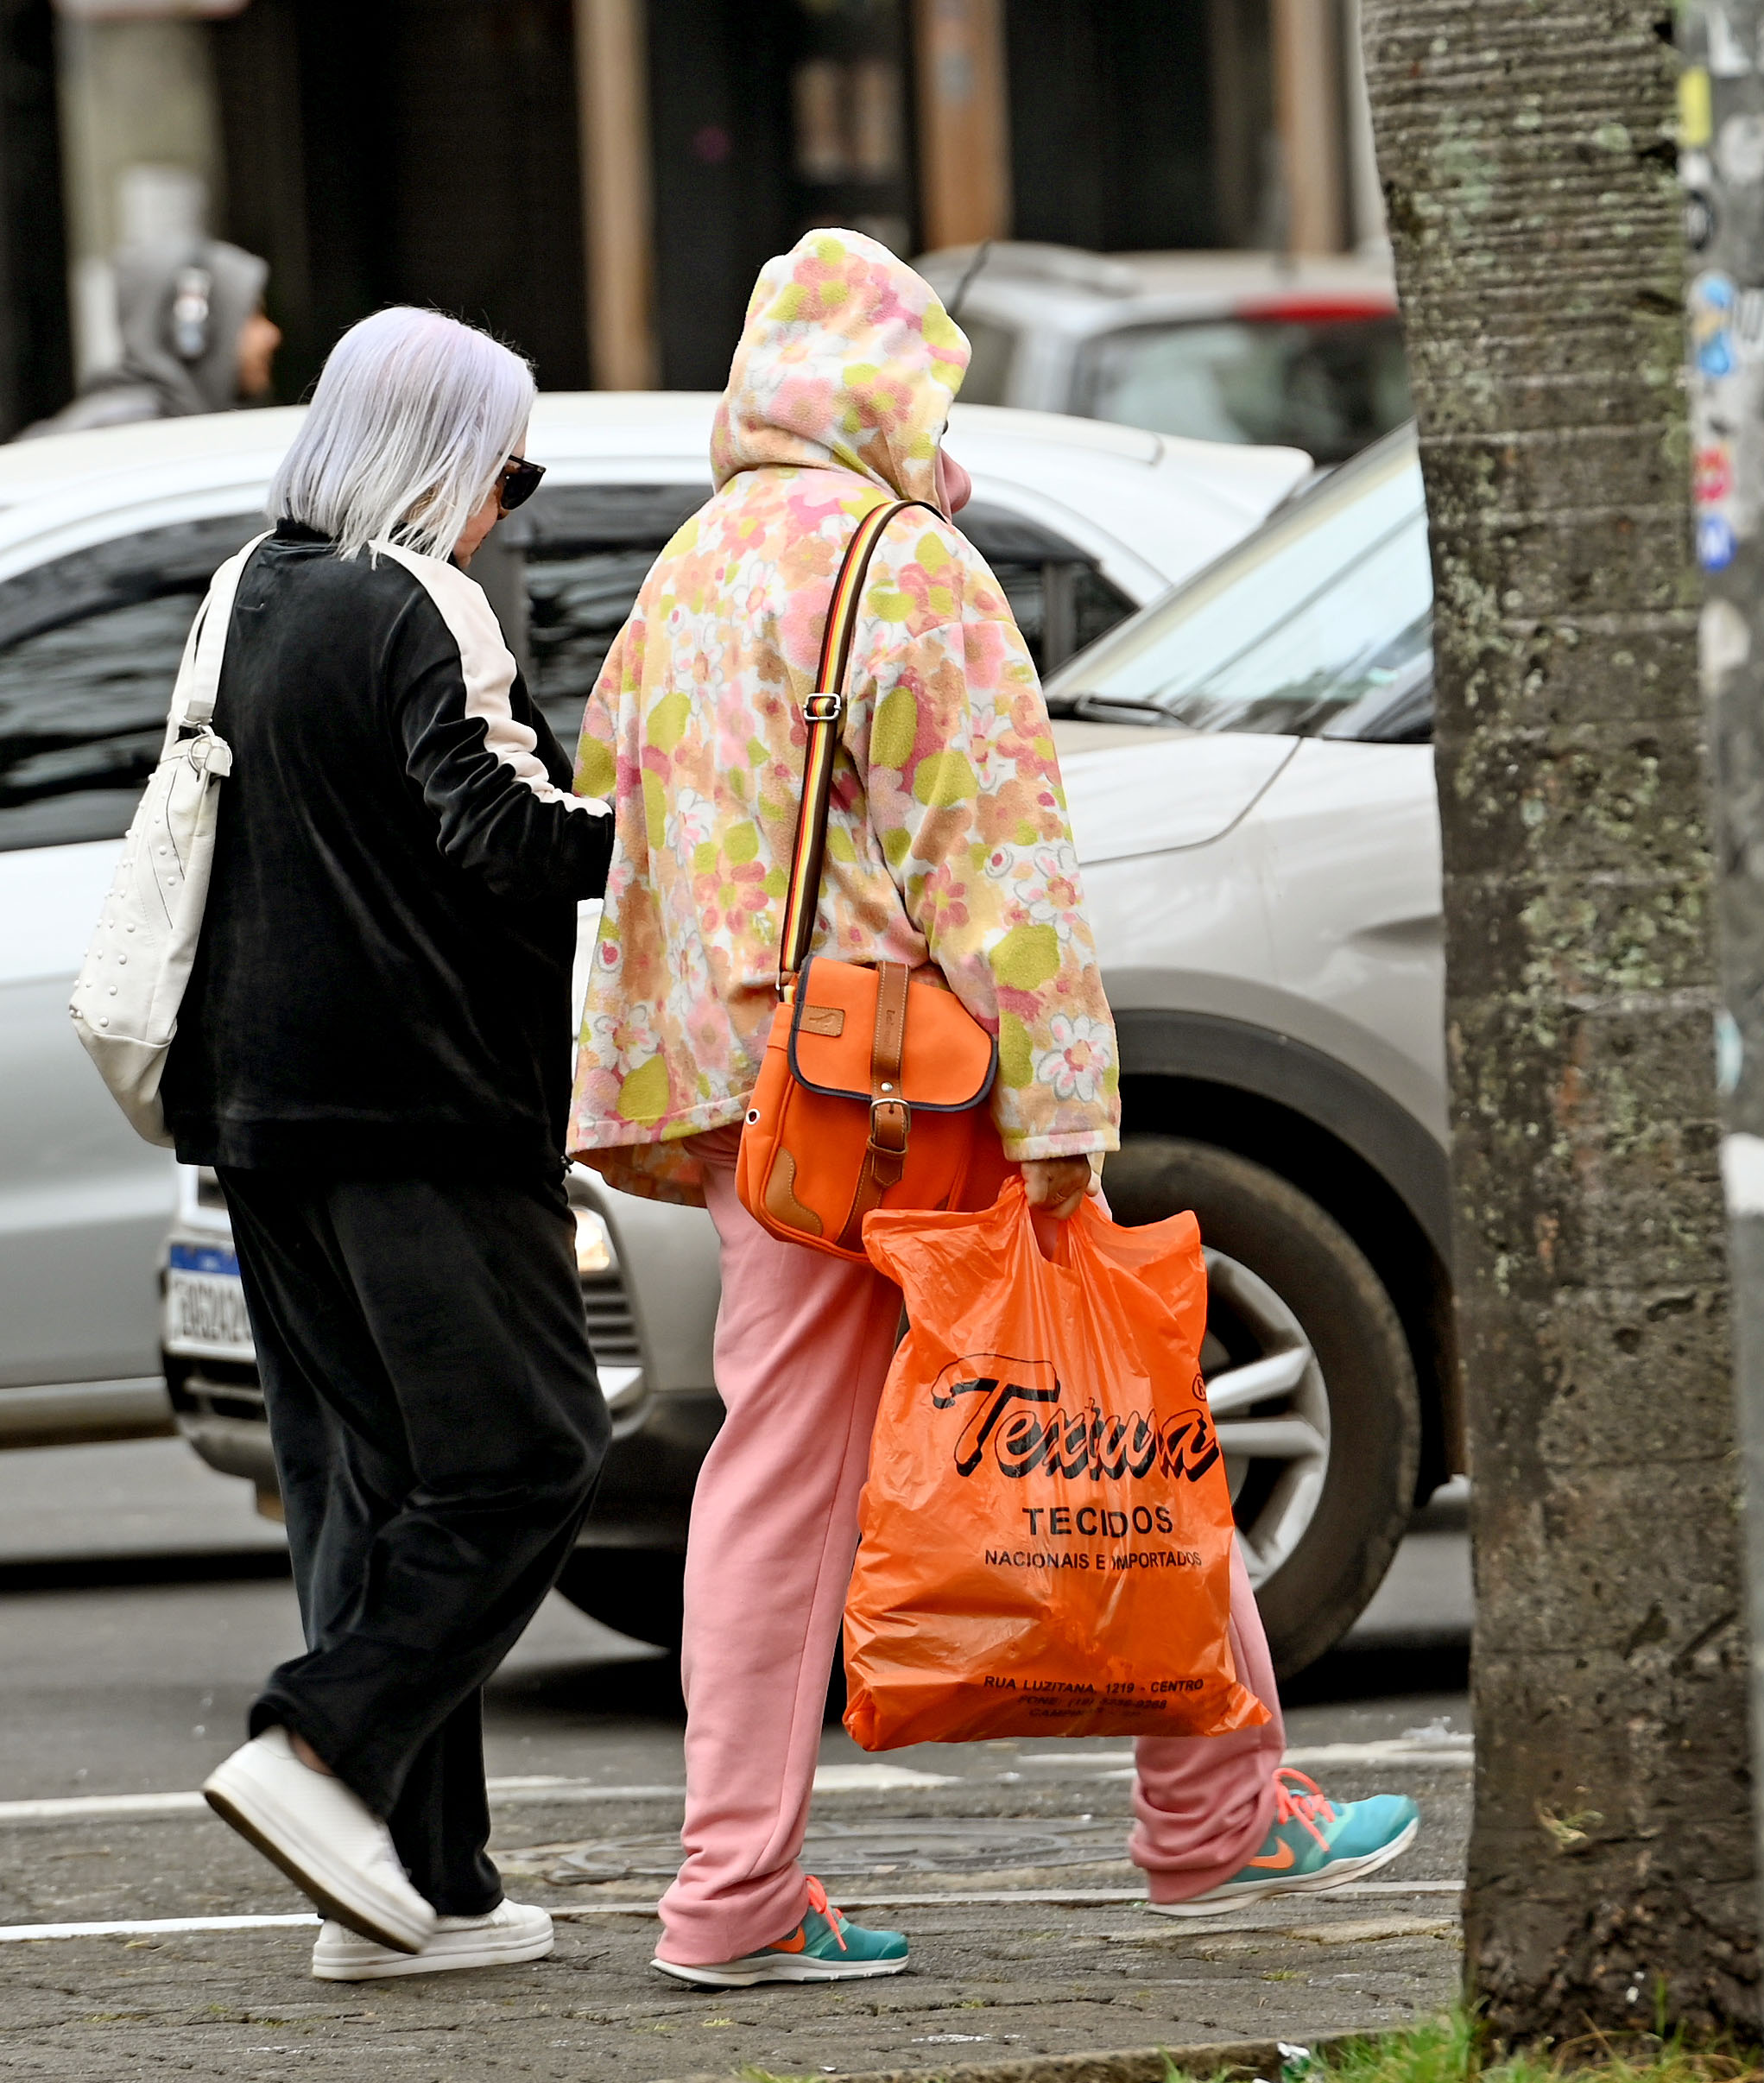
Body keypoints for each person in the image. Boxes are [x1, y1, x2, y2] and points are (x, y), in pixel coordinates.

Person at [566, 229, 1420, 1991]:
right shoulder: (906, 566)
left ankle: (731, 1890)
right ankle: (1214, 1812)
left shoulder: (692, 569)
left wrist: (672, 1093)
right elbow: (1002, 871)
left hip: (764, 1108)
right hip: (925, 1094)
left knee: (769, 1482)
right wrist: (1058, 1110)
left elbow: (623, 833)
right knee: (1116, 1403)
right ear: (896, 382)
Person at [170, 307, 615, 1983]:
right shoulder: (422, 601)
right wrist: (672, 835)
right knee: (526, 1456)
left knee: (369, 1485)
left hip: (264, 1116)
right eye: (508, 466)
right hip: (423, 1111)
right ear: (443, 457)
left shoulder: (248, 590)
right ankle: (317, 1751)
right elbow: (491, 830)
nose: (509, 501)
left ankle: (418, 1896)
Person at [23, 235, 283, 438]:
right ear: (191, 330)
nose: (272, 335)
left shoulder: (168, 427)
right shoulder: (131, 436)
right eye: (252, 316)